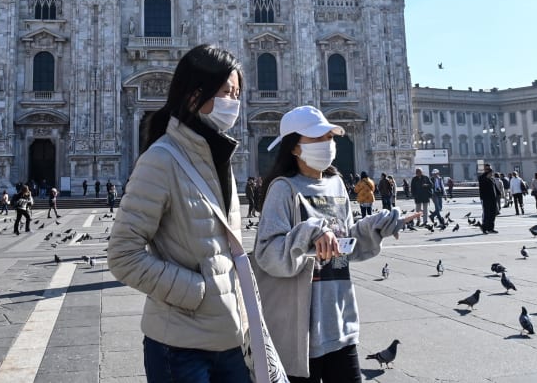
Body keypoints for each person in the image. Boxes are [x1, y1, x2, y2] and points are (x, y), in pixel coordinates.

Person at [108, 44, 251, 382]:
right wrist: (195, 291)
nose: (234, 102)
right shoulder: (161, 159)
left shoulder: (218, 159)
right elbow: (122, 255)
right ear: (193, 94)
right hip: (181, 348)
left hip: (229, 339)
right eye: (226, 92)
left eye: (237, 93)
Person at [254, 106, 418, 382]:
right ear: (294, 148)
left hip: (340, 321)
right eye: (317, 138)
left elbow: (345, 243)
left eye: (329, 137)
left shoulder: (337, 185)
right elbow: (267, 253)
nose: (327, 144)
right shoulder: (283, 188)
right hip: (300, 330)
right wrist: (311, 233)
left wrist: (376, 226)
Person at [478, 164, 500, 233]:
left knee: (493, 214)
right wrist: (487, 175)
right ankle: (484, 228)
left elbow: (495, 188)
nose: (489, 171)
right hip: (485, 198)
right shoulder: (482, 177)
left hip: (493, 198)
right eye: (487, 169)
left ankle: (491, 228)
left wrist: (499, 193)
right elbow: (482, 183)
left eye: (490, 169)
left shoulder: (492, 179)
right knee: (486, 214)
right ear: (484, 170)